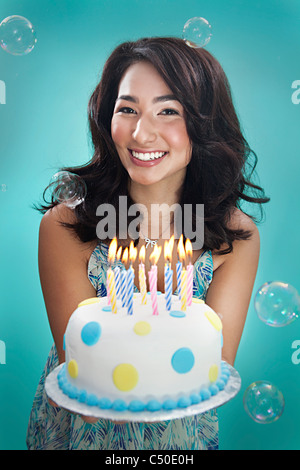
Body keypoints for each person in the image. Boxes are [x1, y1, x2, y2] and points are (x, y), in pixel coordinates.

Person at [26, 37, 269, 450]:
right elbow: (87, 386)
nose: (142, 133)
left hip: (178, 441)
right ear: (108, 118)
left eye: (168, 111)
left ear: (204, 123)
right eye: (127, 109)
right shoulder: (67, 225)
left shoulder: (234, 238)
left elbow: (209, 372)